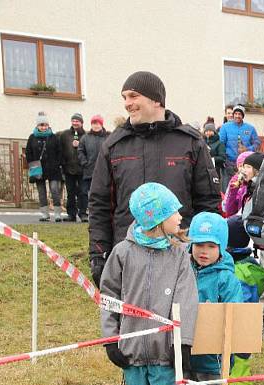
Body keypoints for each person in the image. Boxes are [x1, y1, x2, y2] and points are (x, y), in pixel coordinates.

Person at [99, 183, 198, 385]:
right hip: (131, 353)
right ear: (156, 217)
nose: (180, 216)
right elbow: (109, 297)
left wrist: (181, 342)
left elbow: (187, 299)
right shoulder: (123, 253)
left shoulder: (179, 255)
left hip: (164, 354)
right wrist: (111, 338)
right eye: (174, 212)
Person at [89, 71, 222, 287]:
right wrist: (98, 254)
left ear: (156, 99)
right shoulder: (114, 145)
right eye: (124, 98)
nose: (127, 103)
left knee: (180, 320)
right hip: (129, 257)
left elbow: (208, 203)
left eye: (133, 96)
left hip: (179, 257)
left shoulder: (190, 143)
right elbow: (99, 205)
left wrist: (207, 248)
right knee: (132, 321)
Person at [184, 212, 244, 385]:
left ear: (221, 247)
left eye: (210, 246)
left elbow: (236, 318)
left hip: (215, 360)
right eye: (198, 245)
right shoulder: (182, 271)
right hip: (185, 357)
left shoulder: (226, 280)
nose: (203, 252)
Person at [26, 112, 63, 222]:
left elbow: (59, 152)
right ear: (37, 126)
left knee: (55, 190)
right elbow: (28, 153)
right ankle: (45, 214)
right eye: (41, 125)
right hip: (38, 168)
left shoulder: (54, 137)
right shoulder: (32, 138)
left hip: (53, 169)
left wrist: (57, 164)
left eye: (45, 125)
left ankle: (57, 214)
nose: (44, 127)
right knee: (41, 192)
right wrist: (32, 165)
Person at [77, 115, 108, 223]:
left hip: (103, 171)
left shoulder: (107, 137)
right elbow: (80, 151)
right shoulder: (85, 138)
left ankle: (100, 214)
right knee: (84, 192)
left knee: (102, 193)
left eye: (98, 123)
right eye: (94, 123)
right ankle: (83, 213)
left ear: (101, 124)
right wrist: (84, 162)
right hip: (88, 170)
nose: (96, 125)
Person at [58, 113, 86, 222]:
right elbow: (61, 150)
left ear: (81, 123)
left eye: (77, 121)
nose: (75, 123)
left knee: (83, 192)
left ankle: (83, 213)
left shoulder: (86, 136)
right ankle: (71, 214)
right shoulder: (65, 135)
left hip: (82, 169)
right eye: (73, 120)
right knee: (70, 192)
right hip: (68, 168)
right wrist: (63, 164)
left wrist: (79, 145)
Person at [219, 104, 260, 177]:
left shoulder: (250, 128)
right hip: (229, 165)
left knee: (244, 187)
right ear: (233, 114)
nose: (237, 116)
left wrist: (247, 149)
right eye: (236, 114)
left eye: (240, 114)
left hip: (246, 165)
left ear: (243, 116)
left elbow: (257, 144)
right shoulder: (225, 127)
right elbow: (221, 144)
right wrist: (225, 160)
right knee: (229, 187)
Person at [203, 123, 227, 192]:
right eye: (206, 131)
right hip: (203, 171)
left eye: (210, 131)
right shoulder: (202, 142)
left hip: (216, 171)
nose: (208, 133)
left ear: (214, 132)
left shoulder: (219, 143)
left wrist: (211, 159)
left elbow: (222, 158)